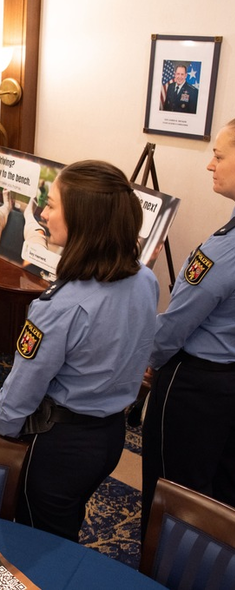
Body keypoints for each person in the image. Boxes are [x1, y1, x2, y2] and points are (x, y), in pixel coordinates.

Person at [0, 160, 159, 542]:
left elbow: (23, 389)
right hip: (108, 438)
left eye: (51, 205)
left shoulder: (61, 306)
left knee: (36, 542)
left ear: (83, 220)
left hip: (57, 446)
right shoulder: (145, 280)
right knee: (64, 524)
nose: (43, 214)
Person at [141, 119, 235, 532]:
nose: (210, 166)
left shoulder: (222, 252)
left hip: (195, 387)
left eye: (218, 155)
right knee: (222, 489)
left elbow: (177, 323)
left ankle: (158, 569)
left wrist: (147, 360)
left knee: (171, 490)